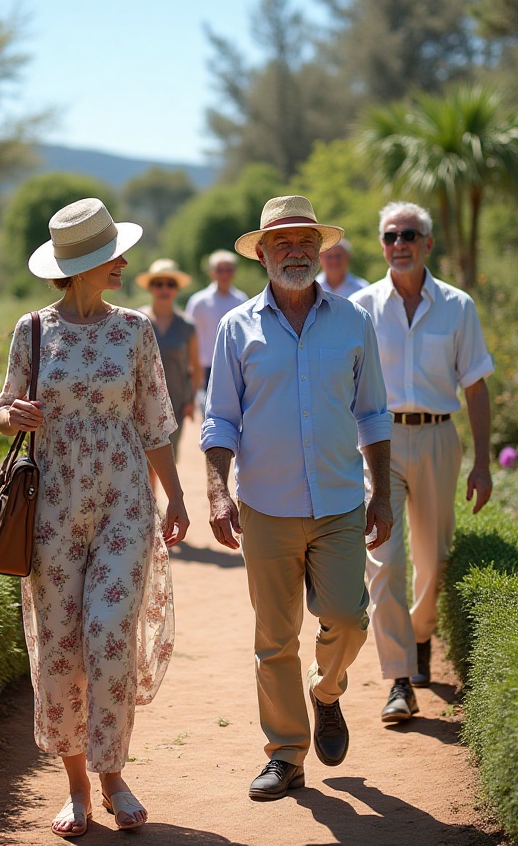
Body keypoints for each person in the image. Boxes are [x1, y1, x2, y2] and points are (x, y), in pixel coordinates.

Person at [0, 198, 190, 837]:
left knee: (108, 637)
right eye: (111, 256)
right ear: (81, 267)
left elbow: (157, 421)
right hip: (52, 506)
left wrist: (178, 497)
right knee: (62, 648)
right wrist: (12, 416)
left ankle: (113, 775)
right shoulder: (33, 330)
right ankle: (77, 786)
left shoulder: (135, 330)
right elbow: (2, 408)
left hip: (125, 501)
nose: (124, 264)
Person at [200, 194, 393, 801]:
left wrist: (381, 494)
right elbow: (220, 421)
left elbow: (374, 413)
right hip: (266, 505)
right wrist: (216, 492)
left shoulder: (353, 320)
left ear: (321, 249)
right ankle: (285, 754)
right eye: (281, 242)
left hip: (339, 500)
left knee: (346, 617)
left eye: (305, 241)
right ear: (261, 253)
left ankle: (326, 692)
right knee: (274, 638)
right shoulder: (237, 328)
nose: (295, 251)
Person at [349, 201, 493, 723]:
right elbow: (346, 383)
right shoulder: (361, 307)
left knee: (435, 560)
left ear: (428, 243)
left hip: (437, 440)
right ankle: (400, 679)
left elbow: (475, 386)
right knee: (384, 561)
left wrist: (482, 462)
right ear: (382, 245)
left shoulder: (458, 306)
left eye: (409, 234)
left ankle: (422, 636)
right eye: (390, 236)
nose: (400, 244)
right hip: (379, 444)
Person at [136, 259, 202, 459]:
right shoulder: (137, 320)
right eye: (159, 283)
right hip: (140, 401)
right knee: (144, 459)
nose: (164, 289)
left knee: (167, 459)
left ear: (176, 289)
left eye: (170, 284)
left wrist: (190, 400)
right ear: (150, 288)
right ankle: (151, 493)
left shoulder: (187, 325)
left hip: (176, 403)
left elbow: (196, 367)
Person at [186, 249, 248, 393]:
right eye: (220, 270)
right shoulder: (199, 302)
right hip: (205, 366)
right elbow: (190, 336)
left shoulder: (242, 300)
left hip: (235, 366)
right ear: (212, 273)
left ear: (234, 272)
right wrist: (194, 369)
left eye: (229, 270)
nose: (225, 274)